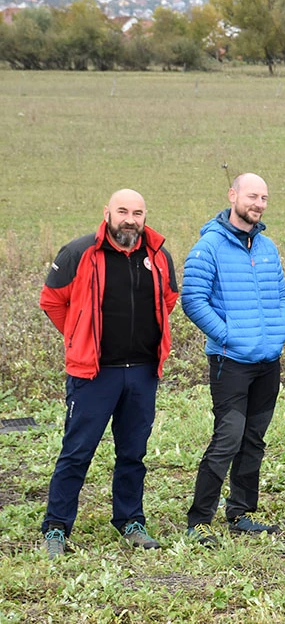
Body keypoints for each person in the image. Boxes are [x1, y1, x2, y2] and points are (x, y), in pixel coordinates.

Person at [39, 189, 178, 560]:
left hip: (142, 373)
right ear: (107, 213)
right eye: (122, 211)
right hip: (94, 375)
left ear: (145, 215)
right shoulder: (79, 252)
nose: (130, 219)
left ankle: (131, 520)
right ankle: (56, 526)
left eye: (137, 212)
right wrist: (78, 335)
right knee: (77, 452)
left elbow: (168, 299)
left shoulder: (159, 255)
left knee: (133, 453)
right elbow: (52, 300)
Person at [182, 172, 285, 546]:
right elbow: (193, 300)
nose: (258, 204)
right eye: (251, 196)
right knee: (228, 437)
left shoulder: (267, 248)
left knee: (254, 439)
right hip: (230, 362)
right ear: (232, 195)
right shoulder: (208, 247)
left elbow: (279, 297)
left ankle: (241, 512)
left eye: (263, 198)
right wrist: (230, 336)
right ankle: (200, 519)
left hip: (267, 361)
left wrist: (278, 335)